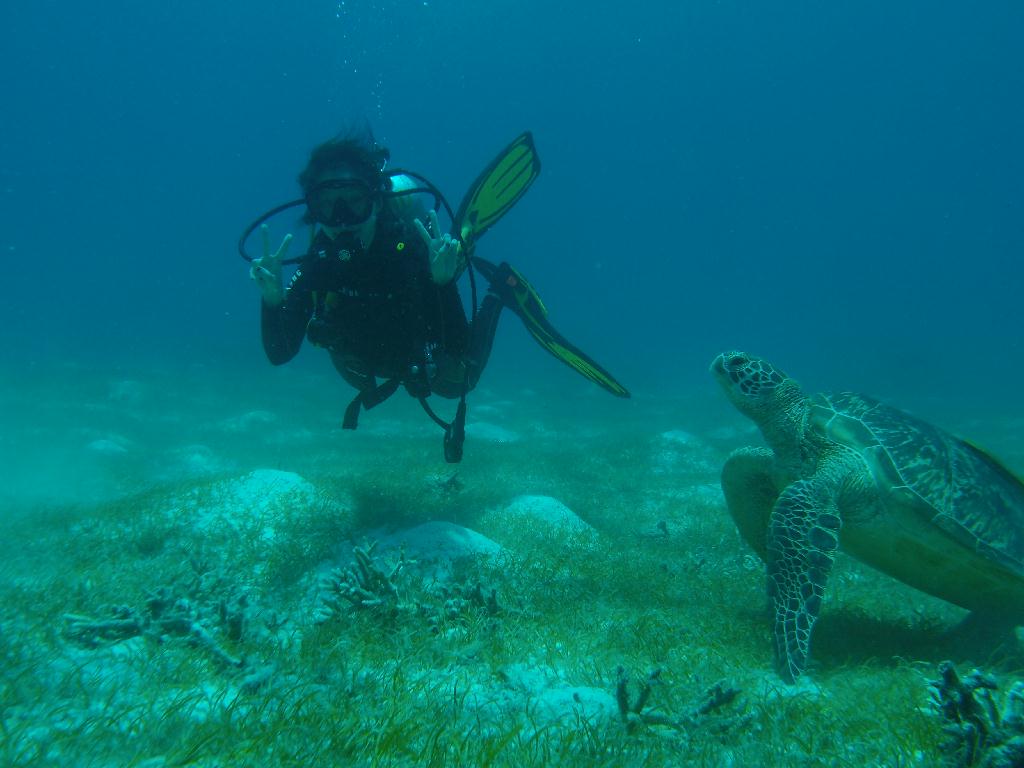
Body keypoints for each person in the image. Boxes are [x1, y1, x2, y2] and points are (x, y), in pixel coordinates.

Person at [243, 128, 628, 461]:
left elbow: (457, 343)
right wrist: (273, 301)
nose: (342, 218)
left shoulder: (408, 249)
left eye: (354, 201)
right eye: (327, 205)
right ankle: (458, 264)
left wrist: (441, 282)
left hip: (419, 352)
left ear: (375, 202)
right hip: (364, 358)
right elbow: (280, 353)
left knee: (457, 382)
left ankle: (500, 292)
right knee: (353, 375)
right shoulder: (319, 260)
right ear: (313, 212)